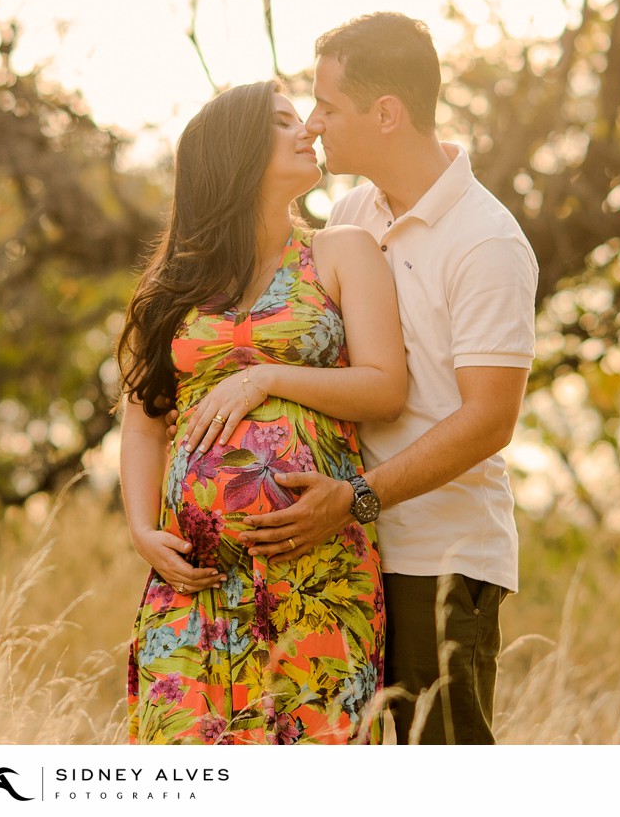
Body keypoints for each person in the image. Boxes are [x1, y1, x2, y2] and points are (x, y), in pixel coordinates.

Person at [238, 13, 540, 745]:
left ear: (386, 114)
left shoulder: (488, 243)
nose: (314, 123)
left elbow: (489, 420)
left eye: (328, 106)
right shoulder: (351, 213)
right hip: (344, 550)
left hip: (437, 558)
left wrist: (359, 498)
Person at [116, 79, 406, 744]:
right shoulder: (173, 285)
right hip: (195, 582)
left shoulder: (342, 251)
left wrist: (267, 377)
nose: (307, 128)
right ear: (235, 151)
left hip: (317, 572)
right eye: (283, 121)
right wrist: (140, 529)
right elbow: (143, 420)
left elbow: (387, 386)